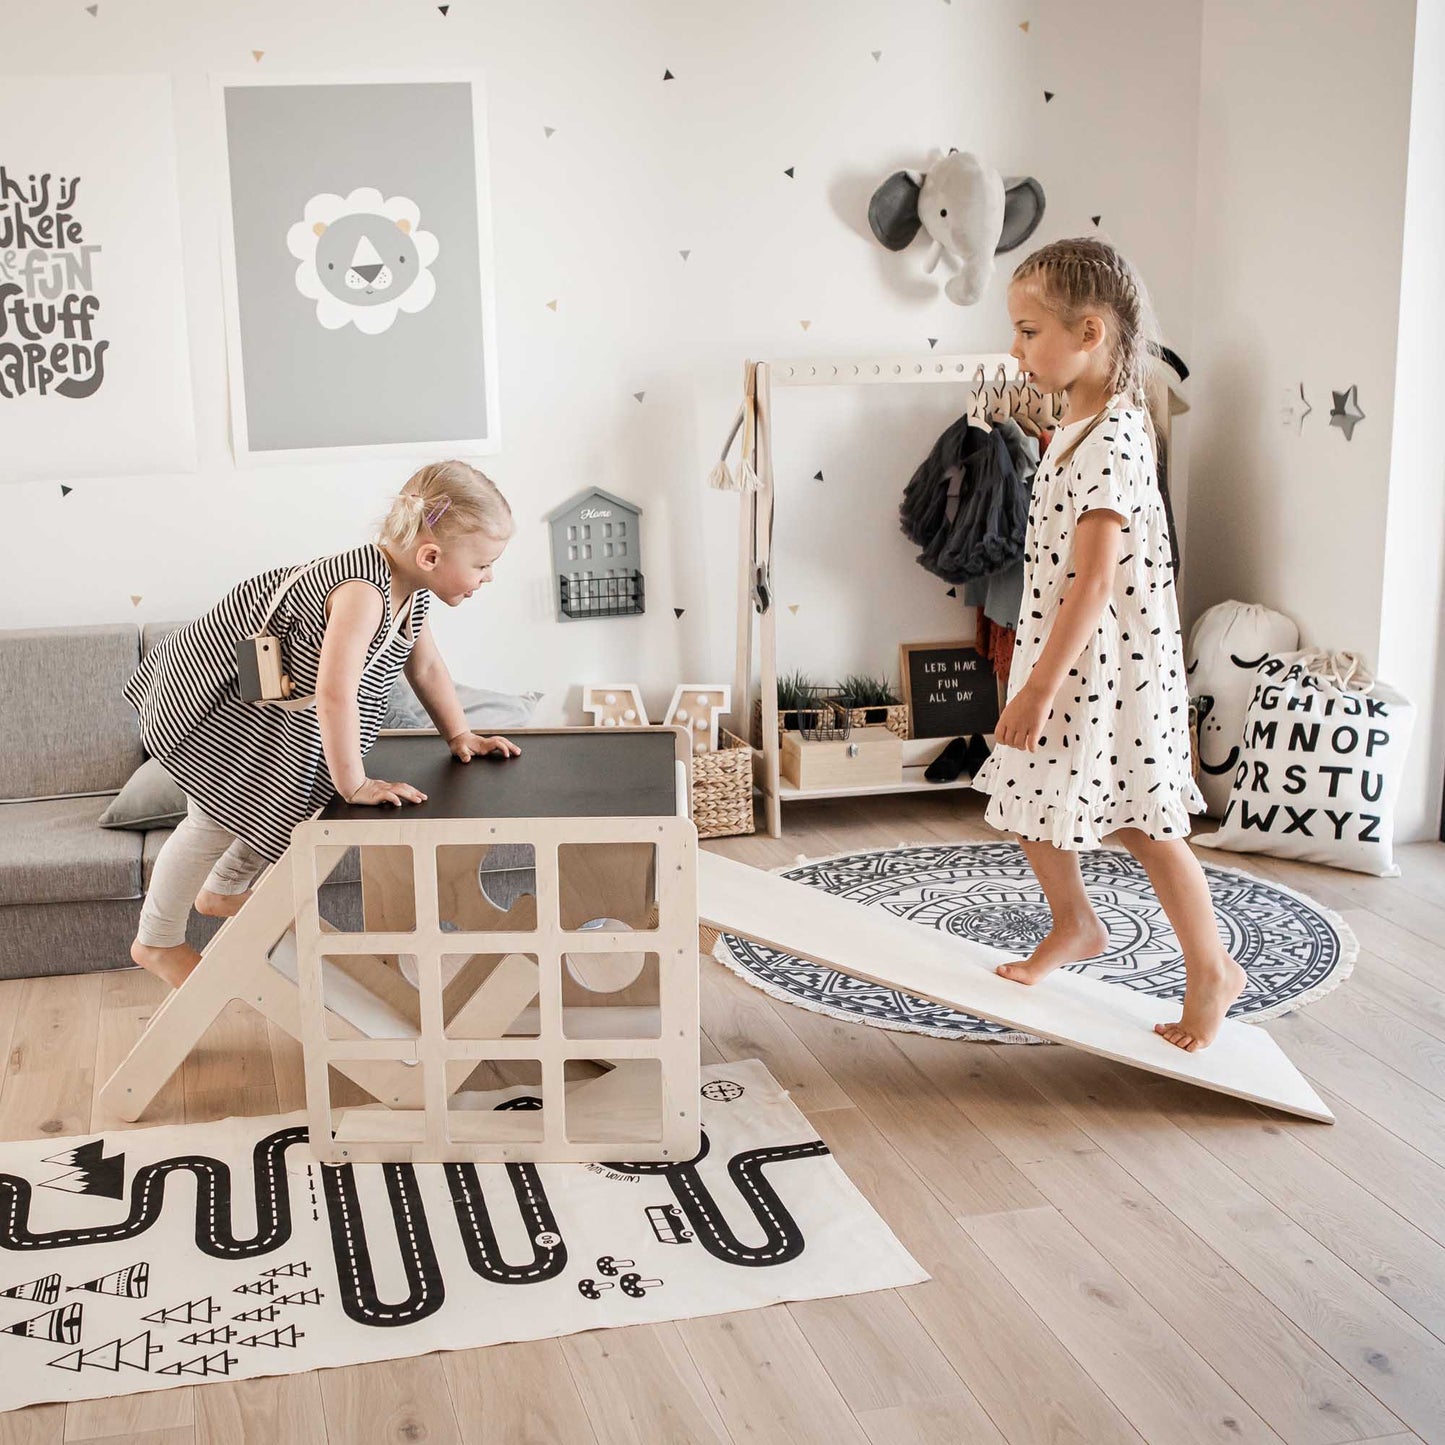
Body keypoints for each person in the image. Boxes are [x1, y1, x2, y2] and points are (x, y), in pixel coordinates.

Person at [972, 237, 1245, 1051]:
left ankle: (1211, 968)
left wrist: (1036, 686)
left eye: (1027, 331)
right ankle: (1075, 922)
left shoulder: (1118, 438)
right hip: (1064, 655)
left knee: (1142, 820)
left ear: (1087, 333)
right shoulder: (1075, 423)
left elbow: (1094, 581)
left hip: (1103, 668)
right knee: (1026, 786)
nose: (1015, 348)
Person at [124, 459, 521, 988]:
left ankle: (222, 890)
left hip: (272, 712)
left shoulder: (413, 592)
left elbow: (424, 666)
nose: (488, 577)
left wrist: (459, 734)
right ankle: (157, 940)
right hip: (222, 706)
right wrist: (353, 782)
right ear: (430, 555)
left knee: (291, 797)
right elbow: (336, 693)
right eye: (484, 565)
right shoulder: (362, 592)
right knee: (212, 817)